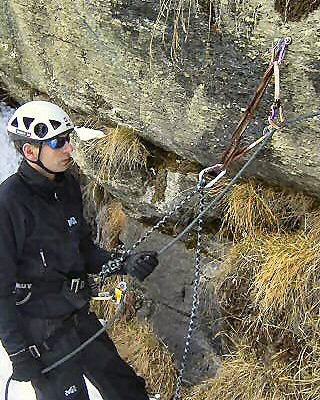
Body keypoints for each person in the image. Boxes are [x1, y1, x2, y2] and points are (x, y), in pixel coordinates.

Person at [0, 100, 159, 400]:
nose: (69, 149)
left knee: (127, 391)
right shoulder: (9, 203)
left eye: (68, 140)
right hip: (43, 337)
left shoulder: (68, 187)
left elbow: (83, 251)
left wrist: (125, 263)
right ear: (30, 151)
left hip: (78, 318)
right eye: (58, 143)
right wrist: (19, 352)